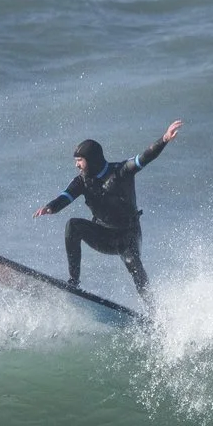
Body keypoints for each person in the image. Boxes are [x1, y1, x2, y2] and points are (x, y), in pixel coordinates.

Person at [36, 120, 183, 301]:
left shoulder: (121, 171)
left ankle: (153, 312)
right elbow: (67, 195)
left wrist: (165, 139)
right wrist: (51, 207)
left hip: (127, 236)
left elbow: (144, 157)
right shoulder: (82, 181)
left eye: (80, 161)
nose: (77, 165)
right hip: (103, 235)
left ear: (92, 159)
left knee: (133, 264)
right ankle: (73, 282)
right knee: (72, 226)